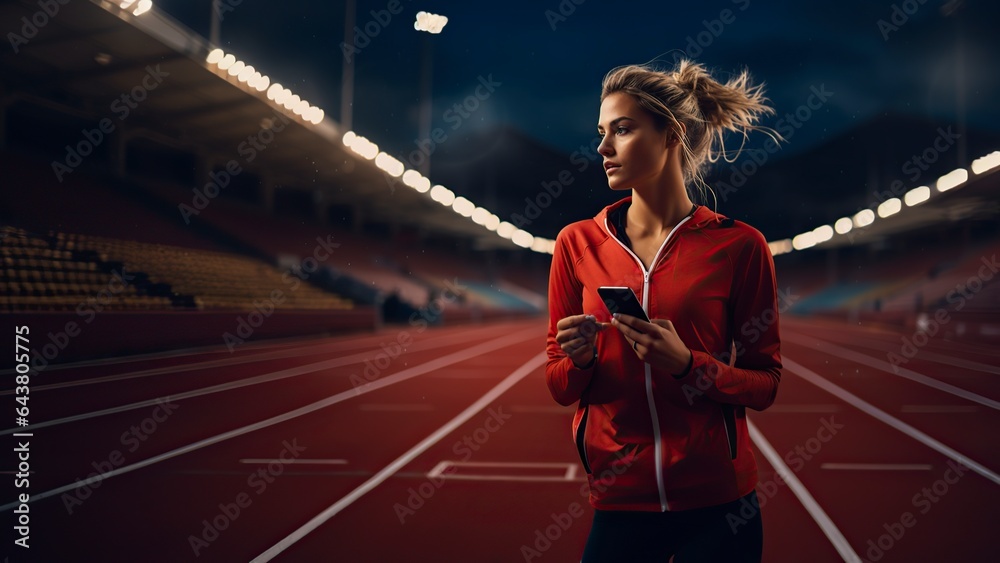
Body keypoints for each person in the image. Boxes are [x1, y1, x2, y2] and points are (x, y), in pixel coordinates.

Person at [545, 60, 783, 562]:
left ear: (671, 134)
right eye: (601, 133)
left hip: (719, 506)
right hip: (619, 501)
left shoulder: (739, 245)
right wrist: (581, 359)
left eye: (623, 130)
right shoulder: (576, 243)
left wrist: (688, 365)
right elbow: (560, 385)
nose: (603, 148)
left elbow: (766, 384)